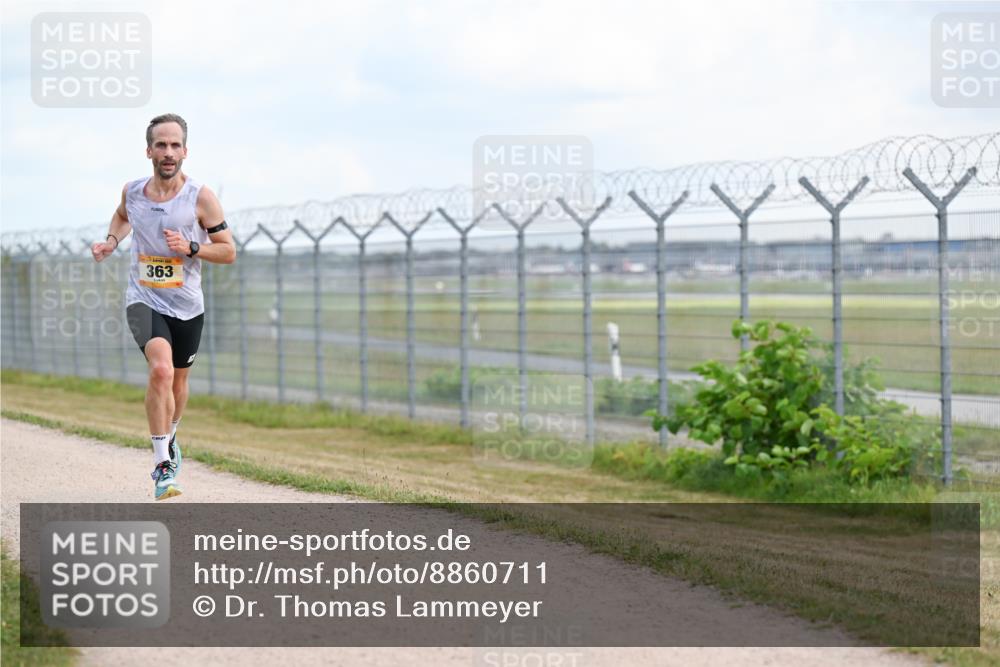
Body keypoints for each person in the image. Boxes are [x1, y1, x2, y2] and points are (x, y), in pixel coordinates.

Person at [92, 113, 236, 500]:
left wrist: (191, 247)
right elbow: (123, 216)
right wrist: (110, 241)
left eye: (175, 145)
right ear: (149, 150)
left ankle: (171, 437)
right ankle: (162, 466)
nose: (168, 152)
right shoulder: (133, 191)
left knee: (178, 380)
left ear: (185, 151)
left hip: (187, 304)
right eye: (161, 145)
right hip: (143, 297)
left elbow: (228, 251)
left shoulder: (201, 197)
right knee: (159, 370)